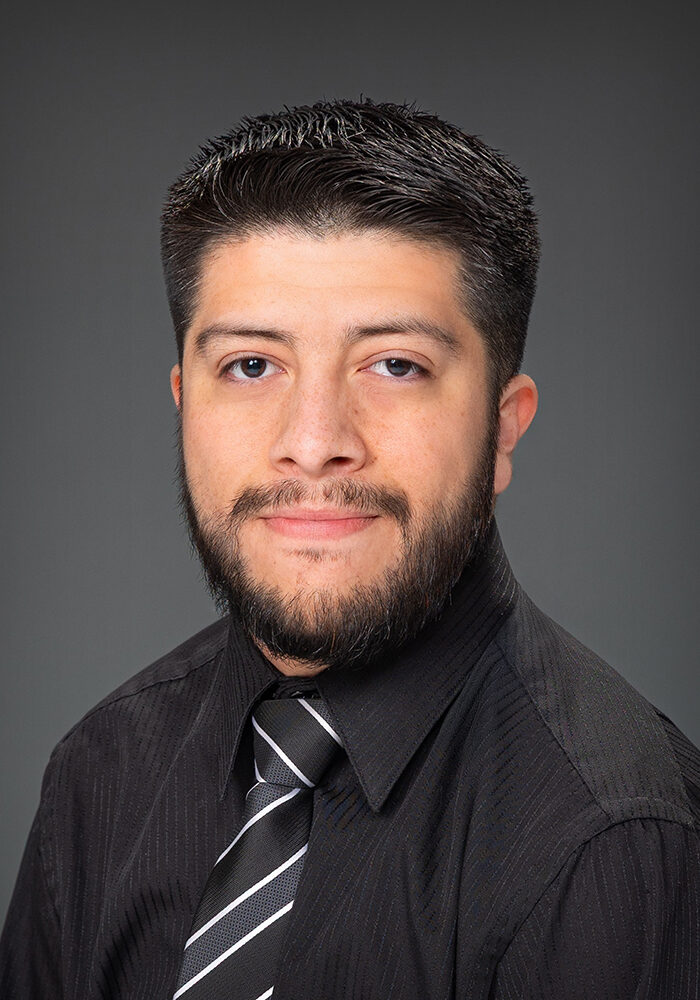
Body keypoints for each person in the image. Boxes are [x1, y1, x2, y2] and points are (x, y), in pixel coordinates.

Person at [1, 97, 698, 1000]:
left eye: (395, 364)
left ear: (504, 427)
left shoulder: (618, 845)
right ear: (184, 405)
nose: (315, 439)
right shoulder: (99, 776)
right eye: (252, 366)